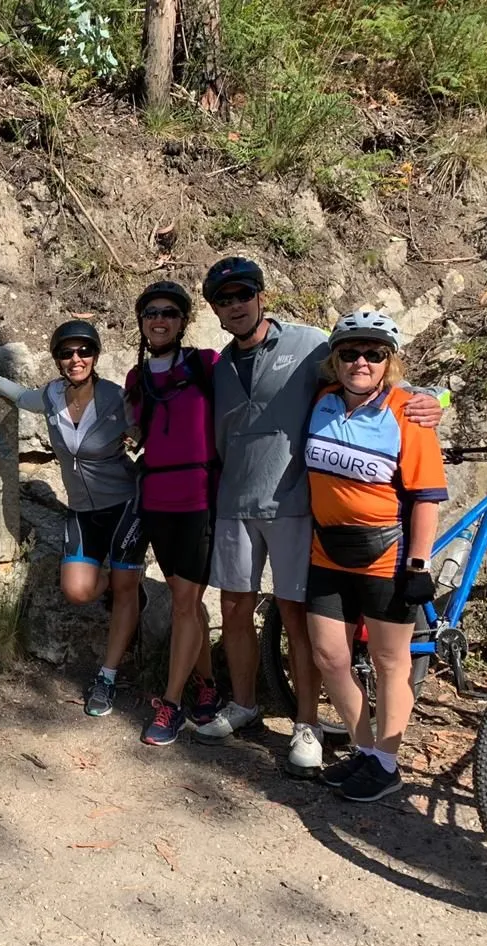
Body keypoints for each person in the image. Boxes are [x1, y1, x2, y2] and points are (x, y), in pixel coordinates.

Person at [197, 256, 443, 779]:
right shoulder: (216, 367)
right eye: (224, 299)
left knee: (293, 617)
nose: (236, 305)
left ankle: (307, 725)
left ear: (262, 296)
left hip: (294, 506)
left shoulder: (309, 343)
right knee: (235, 609)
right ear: (215, 310)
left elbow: (377, 373)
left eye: (244, 294)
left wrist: (431, 399)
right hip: (234, 503)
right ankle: (244, 704)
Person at [0, 320, 144, 717]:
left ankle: (107, 677)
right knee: (78, 590)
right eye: (66, 352)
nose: (75, 359)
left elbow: (146, 423)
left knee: (127, 589)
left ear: (95, 355)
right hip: (81, 509)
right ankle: (120, 576)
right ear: (57, 359)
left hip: (126, 505)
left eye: (84, 351)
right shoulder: (52, 396)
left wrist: (138, 433)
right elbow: (16, 393)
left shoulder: (117, 396)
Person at [304, 311, 445, 801]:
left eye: (373, 354)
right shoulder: (322, 401)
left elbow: (426, 495)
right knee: (329, 656)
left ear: (390, 361)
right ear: (335, 360)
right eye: (349, 352)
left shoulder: (407, 413)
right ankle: (364, 751)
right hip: (327, 551)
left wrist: (420, 565)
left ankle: (387, 763)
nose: (360, 362)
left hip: (386, 554)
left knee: (390, 663)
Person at [122, 281, 222, 745]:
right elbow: (137, 431)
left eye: (169, 313)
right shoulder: (137, 378)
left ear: (183, 321)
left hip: (199, 496)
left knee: (185, 602)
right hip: (158, 498)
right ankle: (207, 684)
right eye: (150, 314)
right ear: (142, 323)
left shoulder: (207, 365)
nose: (159, 321)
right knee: (188, 602)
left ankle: (172, 703)